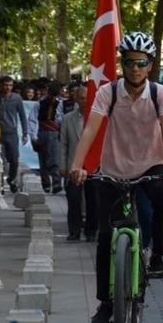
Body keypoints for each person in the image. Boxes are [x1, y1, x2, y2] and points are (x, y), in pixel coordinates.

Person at [69, 31, 163, 323]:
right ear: (122, 64)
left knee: (162, 196)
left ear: (150, 65)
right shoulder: (108, 92)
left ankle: (158, 255)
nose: (135, 68)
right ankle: (106, 304)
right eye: (129, 62)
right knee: (106, 236)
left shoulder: (162, 94)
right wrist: (77, 166)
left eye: (141, 63)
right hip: (114, 168)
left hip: (151, 164)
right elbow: (91, 131)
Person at [61, 85, 96, 242]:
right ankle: (74, 231)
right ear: (76, 99)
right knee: (73, 198)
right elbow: (63, 145)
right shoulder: (68, 119)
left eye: (88, 98)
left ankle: (91, 231)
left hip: (93, 166)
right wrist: (63, 166)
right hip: (74, 165)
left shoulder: (98, 119)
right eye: (82, 98)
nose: (85, 101)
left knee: (93, 199)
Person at [0, 76, 29, 193]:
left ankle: (11, 179)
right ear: (1, 85)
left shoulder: (17, 98)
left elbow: (23, 116)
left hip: (12, 133)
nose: (8, 88)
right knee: (1, 161)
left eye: (10, 85)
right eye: (6, 85)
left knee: (14, 160)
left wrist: (25, 133)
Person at [36, 82, 64, 193]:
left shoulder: (60, 104)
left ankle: (57, 183)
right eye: (51, 95)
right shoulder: (39, 104)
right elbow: (33, 120)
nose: (53, 98)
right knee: (43, 159)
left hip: (54, 133)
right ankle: (46, 184)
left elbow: (61, 118)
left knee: (55, 159)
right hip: (42, 132)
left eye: (55, 96)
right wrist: (33, 136)